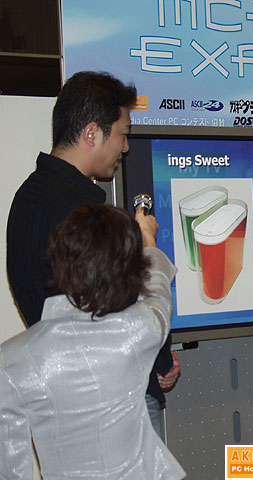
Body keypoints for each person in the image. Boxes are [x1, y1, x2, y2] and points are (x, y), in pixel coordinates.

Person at [5, 71, 179, 438]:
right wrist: (161, 359)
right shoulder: (87, 216)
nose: (126, 148)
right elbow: (122, 312)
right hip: (119, 402)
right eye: (123, 134)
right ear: (91, 133)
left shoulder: (25, 199)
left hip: (62, 399)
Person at [0, 204, 186, 479]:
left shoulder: (11, 359)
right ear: (127, 269)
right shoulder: (137, 330)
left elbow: (11, 468)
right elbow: (158, 293)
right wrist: (148, 239)